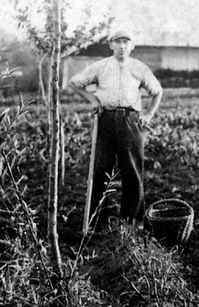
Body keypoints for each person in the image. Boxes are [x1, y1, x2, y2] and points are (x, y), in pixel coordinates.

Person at [69, 27, 163, 228]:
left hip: (130, 120)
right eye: (117, 42)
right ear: (111, 45)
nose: (122, 46)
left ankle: (132, 221)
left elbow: (157, 92)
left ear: (132, 46)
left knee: (132, 170)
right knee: (101, 168)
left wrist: (148, 115)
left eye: (126, 42)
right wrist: (93, 100)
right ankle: (98, 220)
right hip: (106, 119)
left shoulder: (139, 68)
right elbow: (74, 83)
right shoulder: (101, 66)